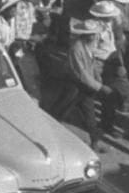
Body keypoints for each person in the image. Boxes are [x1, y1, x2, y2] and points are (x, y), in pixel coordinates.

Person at [47, 18, 119, 152]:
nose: (96, 36)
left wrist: (98, 80)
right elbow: (81, 73)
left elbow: (91, 67)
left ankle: (95, 142)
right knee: (60, 111)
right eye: (93, 34)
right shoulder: (76, 48)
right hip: (73, 86)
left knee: (90, 115)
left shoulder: (88, 46)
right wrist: (99, 87)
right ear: (87, 35)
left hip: (85, 87)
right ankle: (47, 137)